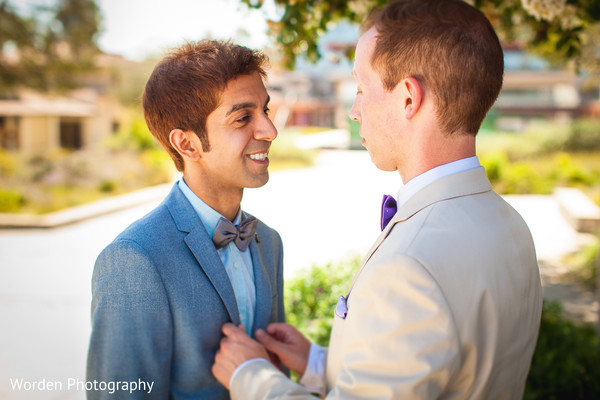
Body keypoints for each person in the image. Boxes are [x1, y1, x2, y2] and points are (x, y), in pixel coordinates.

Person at [211, 0, 543, 398]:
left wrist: (251, 376)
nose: (354, 111)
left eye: (361, 88)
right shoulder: (511, 223)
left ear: (408, 98)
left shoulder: (410, 266)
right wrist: (319, 362)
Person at [86, 40, 284, 399]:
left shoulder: (268, 242)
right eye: (243, 117)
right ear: (187, 144)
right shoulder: (134, 260)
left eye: (266, 111)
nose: (269, 130)